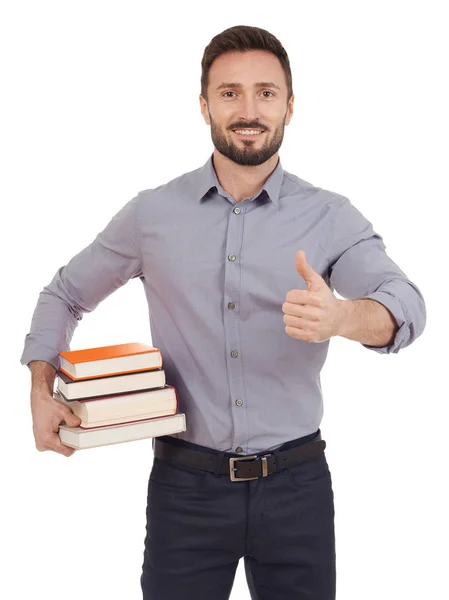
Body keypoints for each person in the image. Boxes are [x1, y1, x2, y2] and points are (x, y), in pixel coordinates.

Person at [21, 24, 426, 600]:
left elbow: (404, 306)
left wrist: (341, 318)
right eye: (230, 92)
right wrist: (41, 387)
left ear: (290, 105)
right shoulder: (151, 215)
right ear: (204, 104)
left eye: (266, 92)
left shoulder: (330, 217)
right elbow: (64, 294)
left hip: (298, 489)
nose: (249, 109)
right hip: (185, 488)